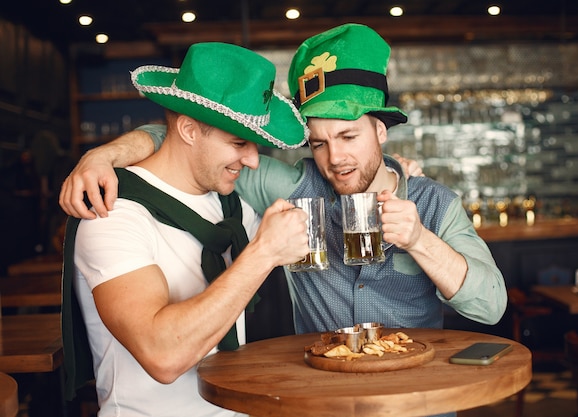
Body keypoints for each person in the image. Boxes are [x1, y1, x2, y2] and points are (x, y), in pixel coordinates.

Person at [62, 24, 506, 347]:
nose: (335, 159)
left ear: (382, 131)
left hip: (413, 403)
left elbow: (490, 306)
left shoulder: (436, 203)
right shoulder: (293, 185)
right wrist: (103, 156)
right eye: (318, 143)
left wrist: (420, 240)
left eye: (349, 137)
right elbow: (189, 143)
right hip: (319, 400)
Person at [61, 42, 311, 416]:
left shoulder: (232, 206)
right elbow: (163, 355)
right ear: (190, 130)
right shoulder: (113, 214)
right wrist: (263, 253)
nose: (253, 161)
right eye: (239, 143)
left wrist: (394, 173)